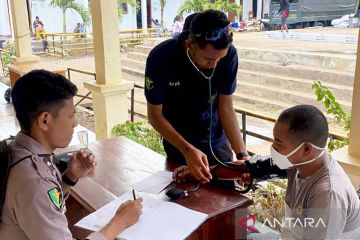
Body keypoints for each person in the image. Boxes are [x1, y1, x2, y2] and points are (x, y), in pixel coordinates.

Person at [174, 104, 360, 239]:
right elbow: (252, 167)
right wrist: (202, 170)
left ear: (306, 150)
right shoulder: (299, 163)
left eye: (279, 143)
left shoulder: (327, 194)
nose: (273, 148)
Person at [0, 70, 143, 240]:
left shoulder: (18, 149)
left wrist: (69, 177)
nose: (75, 123)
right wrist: (120, 221)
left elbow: (46, 198)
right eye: (71, 115)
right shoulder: (34, 181)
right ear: (44, 120)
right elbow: (39, 191)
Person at [145, 10, 249, 184]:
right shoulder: (161, 58)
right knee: (185, 199)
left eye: (219, 60)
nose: (214, 65)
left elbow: (226, 107)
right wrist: (187, 150)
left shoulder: (229, 55)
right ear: (190, 44)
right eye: (208, 59)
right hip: (179, 145)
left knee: (225, 200)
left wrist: (242, 155)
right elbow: (155, 115)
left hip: (216, 143)